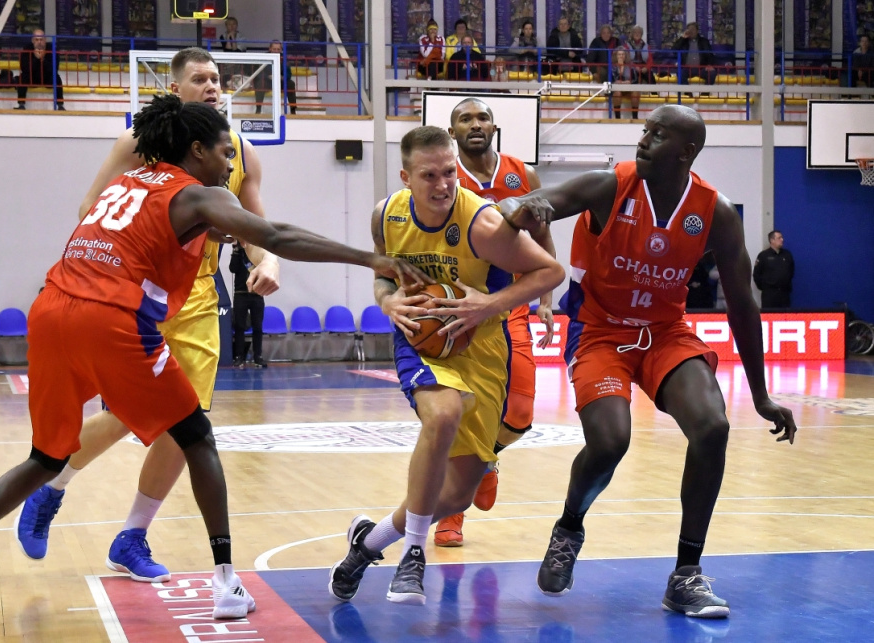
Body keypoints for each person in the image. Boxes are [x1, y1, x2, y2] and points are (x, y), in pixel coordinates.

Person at [0, 94, 428, 621]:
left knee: (45, 457)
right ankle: (225, 583)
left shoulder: (128, 182)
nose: (230, 163)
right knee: (197, 438)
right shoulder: (196, 194)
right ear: (197, 149)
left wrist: (226, 233)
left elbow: (181, 229)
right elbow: (276, 234)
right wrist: (371, 259)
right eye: (225, 152)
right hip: (109, 317)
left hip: (49, 311)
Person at [504, 104, 797, 618]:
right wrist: (524, 206)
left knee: (712, 427)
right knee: (610, 443)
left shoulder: (715, 213)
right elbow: (533, 201)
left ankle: (686, 574)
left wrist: (761, 394)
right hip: (599, 331)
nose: (643, 141)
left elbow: (743, 306)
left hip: (665, 333)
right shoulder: (608, 185)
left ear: (686, 152)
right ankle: (569, 528)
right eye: (645, 131)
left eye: (657, 135)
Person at [14, 48, 281, 583]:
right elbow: (89, 209)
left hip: (199, 296)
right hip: (138, 294)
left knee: (187, 421)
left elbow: (255, 227)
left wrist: (267, 260)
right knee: (121, 415)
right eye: (200, 79)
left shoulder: (241, 153)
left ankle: (132, 536)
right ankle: (52, 486)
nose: (213, 87)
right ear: (175, 88)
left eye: (217, 79)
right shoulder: (138, 143)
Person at [327, 125, 564, 605]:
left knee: (457, 496)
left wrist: (489, 304)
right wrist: (388, 302)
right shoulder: (387, 216)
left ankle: (367, 545)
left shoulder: (481, 224)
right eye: (429, 175)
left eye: (449, 173)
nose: (442, 185)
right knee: (443, 413)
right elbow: (383, 276)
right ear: (406, 177)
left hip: (482, 345)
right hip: (423, 340)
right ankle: (413, 554)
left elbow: (550, 271)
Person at [434, 98, 557, 547]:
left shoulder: (523, 174)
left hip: (511, 305)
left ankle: (487, 460)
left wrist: (546, 300)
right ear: (452, 132)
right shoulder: (443, 180)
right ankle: (452, 513)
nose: (475, 124)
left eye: (482, 117)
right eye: (465, 119)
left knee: (520, 414)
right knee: (461, 414)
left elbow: (542, 238)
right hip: (460, 309)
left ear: (494, 126)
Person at [230, 241, 266, 368]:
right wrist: (236, 250)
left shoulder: (257, 253)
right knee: (239, 326)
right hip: (240, 294)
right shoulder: (239, 253)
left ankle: (258, 356)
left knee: (258, 327)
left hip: (257, 294)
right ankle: (239, 356)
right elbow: (233, 268)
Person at [16, 29, 65, 110]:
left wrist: (42, 59)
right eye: (36, 39)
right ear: (33, 40)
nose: (39, 42)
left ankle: (60, 105)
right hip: (32, 77)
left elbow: (54, 69)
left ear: (45, 40)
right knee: (22, 77)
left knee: (57, 78)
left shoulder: (52, 49)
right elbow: (24, 69)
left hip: (47, 77)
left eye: (41, 39)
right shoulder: (26, 49)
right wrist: (36, 59)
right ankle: (21, 104)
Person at [254, 40, 297, 115]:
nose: (276, 51)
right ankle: (258, 109)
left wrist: (282, 77)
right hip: (268, 81)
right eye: (274, 49)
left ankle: (293, 110)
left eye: (278, 49)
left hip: (280, 82)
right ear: (270, 49)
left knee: (291, 84)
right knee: (260, 83)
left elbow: (289, 74)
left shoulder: (284, 58)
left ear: (281, 50)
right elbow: (259, 73)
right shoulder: (264, 57)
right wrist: (268, 76)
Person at [753, 230, 794, 308]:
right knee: (769, 314)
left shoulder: (787, 255)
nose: (782, 240)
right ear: (772, 240)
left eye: (782, 237)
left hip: (784, 294)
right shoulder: (763, 256)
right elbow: (756, 274)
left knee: (784, 315)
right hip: (769, 295)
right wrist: (765, 287)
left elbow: (791, 271)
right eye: (779, 238)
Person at [672, 23, 717, 88]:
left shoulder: (704, 41)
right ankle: (688, 93)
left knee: (712, 73)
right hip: (687, 68)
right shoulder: (684, 41)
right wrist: (682, 38)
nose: (691, 31)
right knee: (680, 73)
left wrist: (709, 64)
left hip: (701, 68)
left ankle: (705, 93)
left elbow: (710, 54)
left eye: (693, 29)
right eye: (689, 29)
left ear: (697, 31)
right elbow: (674, 50)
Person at [611, 48, 641, 119]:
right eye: (619, 54)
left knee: (635, 93)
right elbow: (614, 79)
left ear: (625, 56)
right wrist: (621, 70)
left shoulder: (631, 66)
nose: (621, 56)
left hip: (629, 88)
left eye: (623, 54)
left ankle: (635, 117)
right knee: (617, 93)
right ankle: (618, 118)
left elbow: (635, 79)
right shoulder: (613, 67)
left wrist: (630, 82)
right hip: (617, 89)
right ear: (616, 56)